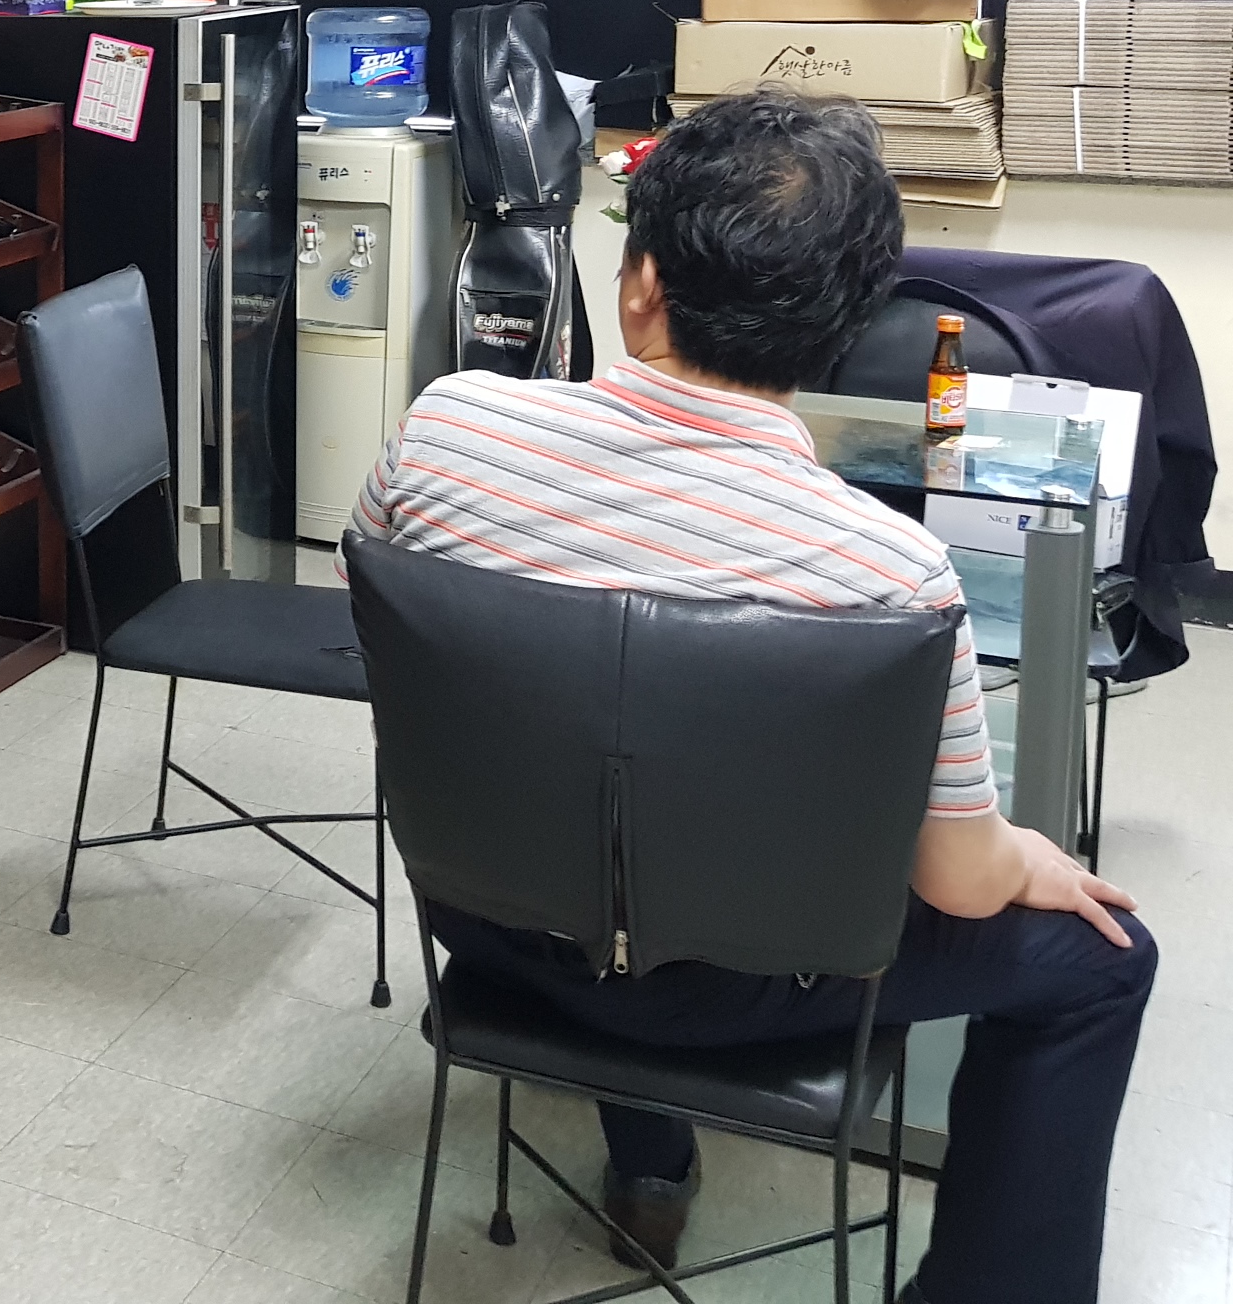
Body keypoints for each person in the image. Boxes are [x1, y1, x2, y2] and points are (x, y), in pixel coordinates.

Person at [348, 87, 1151, 1304]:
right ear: (842, 326)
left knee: (594, 783)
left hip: (491, 920)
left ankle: (648, 1170)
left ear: (640, 284)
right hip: (741, 987)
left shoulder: (443, 431)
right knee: (1104, 958)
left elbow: (387, 634)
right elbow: (958, 882)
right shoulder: (890, 572)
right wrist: (1025, 855)